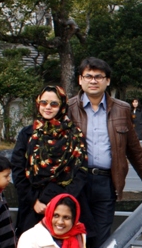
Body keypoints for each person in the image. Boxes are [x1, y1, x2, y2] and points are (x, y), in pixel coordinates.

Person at [67, 57, 142, 248]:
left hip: (107, 182)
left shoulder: (121, 109)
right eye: (88, 76)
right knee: (77, 237)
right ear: (80, 80)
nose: (93, 80)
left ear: (107, 81)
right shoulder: (69, 108)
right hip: (76, 182)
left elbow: (134, 149)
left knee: (102, 238)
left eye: (99, 76)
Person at [11, 85, 92, 239]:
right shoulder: (27, 134)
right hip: (34, 206)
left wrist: (61, 205)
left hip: (65, 207)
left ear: (62, 106)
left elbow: (81, 172)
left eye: (54, 104)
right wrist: (34, 201)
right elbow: (18, 170)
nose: (48, 107)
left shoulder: (74, 135)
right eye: (44, 103)